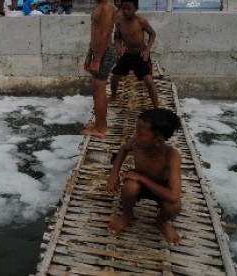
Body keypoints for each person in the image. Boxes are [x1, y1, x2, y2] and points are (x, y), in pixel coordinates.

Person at [106, 108, 182, 245]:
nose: (135, 136)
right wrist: (114, 174)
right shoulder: (136, 144)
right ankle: (127, 215)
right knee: (129, 186)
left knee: (174, 207)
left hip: (161, 187)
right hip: (139, 184)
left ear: (158, 141)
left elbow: (173, 196)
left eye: (140, 134)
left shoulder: (171, 156)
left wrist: (142, 178)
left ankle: (162, 222)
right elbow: (123, 149)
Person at [109, 0, 158, 107]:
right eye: (123, 9)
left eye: (129, 9)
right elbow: (117, 37)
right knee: (114, 77)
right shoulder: (119, 22)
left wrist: (148, 49)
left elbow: (152, 34)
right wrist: (118, 47)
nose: (125, 11)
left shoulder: (141, 21)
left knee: (148, 80)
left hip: (141, 55)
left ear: (136, 9)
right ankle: (113, 95)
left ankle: (156, 107)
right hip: (127, 55)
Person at [81, 0, 117, 138]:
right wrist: (89, 56)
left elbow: (106, 34)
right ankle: (98, 124)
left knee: (99, 88)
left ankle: (101, 128)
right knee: (97, 90)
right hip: (98, 52)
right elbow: (94, 33)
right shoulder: (99, 6)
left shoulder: (107, 7)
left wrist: (97, 60)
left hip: (105, 52)